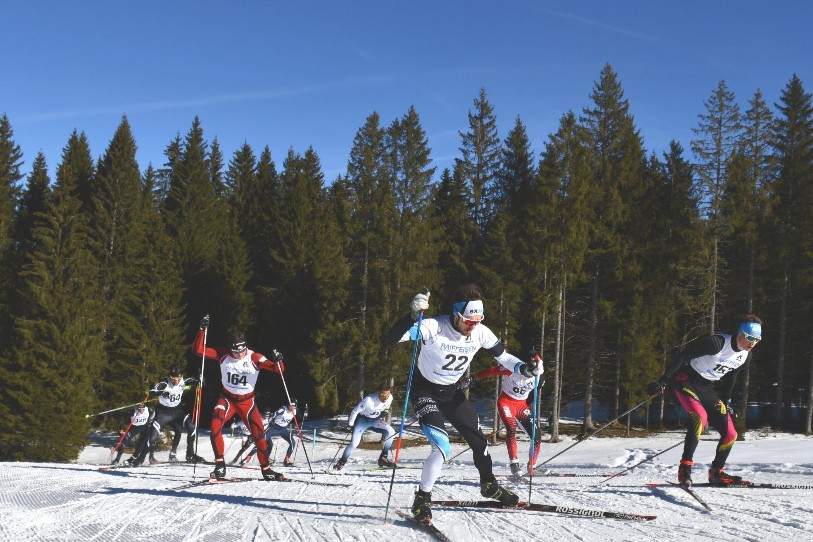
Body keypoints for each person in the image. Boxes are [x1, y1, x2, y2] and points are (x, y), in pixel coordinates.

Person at [386, 284, 542, 523]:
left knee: (480, 441)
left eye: (478, 321)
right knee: (441, 446)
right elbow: (390, 339)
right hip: (425, 390)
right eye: (469, 321)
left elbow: (504, 357)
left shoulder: (481, 332)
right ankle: (422, 498)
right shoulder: (433, 327)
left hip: (452, 393)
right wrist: (410, 315)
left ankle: (489, 485)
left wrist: (526, 369)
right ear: (457, 315)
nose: (473, 326)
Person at [647, 315, 763, 487]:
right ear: (740, 333)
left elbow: (731, 377)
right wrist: (663, 380)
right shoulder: (717, 343)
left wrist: (726, 401)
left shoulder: (746, 356)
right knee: (700, 417)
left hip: (707, 388)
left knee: (731, 433)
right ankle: (685, 470)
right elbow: (682, 356)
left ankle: (717, 473)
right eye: (750, 337)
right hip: (685, 379)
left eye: (757, 339)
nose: (752, 343)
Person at [192, 315, 287, 481]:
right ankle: (220, 466)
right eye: (236, 351)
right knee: (215, 426)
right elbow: (198, 350)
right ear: (231, 348)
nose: (240, 354)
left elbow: (277, 370)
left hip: (247, 403)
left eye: (242, 350)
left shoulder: (254, 357)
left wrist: (279, 361)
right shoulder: (223, 354)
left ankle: (266, 470)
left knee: (260, 438)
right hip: (227, 399)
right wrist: (202, 330)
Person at [475, 353, 546, 478]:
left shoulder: (539, 379)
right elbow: (492, 370)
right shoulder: (513, 369)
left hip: (521, 406)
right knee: (511, 428)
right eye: (530, 372)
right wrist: (475, 378)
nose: (531, 376)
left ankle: (532, 467)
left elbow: (532, 396)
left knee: (537, 436)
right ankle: (514, 464)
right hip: (505, 402)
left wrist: (526, 410)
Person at [127, 365, 203, 465]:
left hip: (177, 412)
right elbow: (152, 392)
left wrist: (200, 378)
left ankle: (190, 454)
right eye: (173, 379)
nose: (176, 382)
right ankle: (140, 459)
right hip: (163, 413)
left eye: (178, 379)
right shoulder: (164, 382)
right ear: (170, 377)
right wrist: (161, 393)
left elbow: (199, 383)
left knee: (192, 428)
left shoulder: (183, 381)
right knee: (152, 438)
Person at [333, 383, 396, 470]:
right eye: (383, 395)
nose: (385, 398)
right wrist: (350, 425)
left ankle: (383, 458)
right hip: (362, 421)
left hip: (375, 420)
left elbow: (387, 406)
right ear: (378, 393)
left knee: (391, 431)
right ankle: (341, 463)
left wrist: (385, 411)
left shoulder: (390, 398)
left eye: (387, 396)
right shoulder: (369, 400)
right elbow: (355, 411)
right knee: (354, 443)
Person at [254, 400, 306, 467]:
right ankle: (248, 457)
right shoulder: (283, 409)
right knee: (261, 441)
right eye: (290, 406)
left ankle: (286, 461)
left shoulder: (296, 410)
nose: (292, 408)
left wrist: (305, 415)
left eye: (293, 406)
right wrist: (268, 423)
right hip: (274, 428)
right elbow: (274, 415)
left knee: (292, 443)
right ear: (288, 405)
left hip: (283, 429)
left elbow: (302, 417)